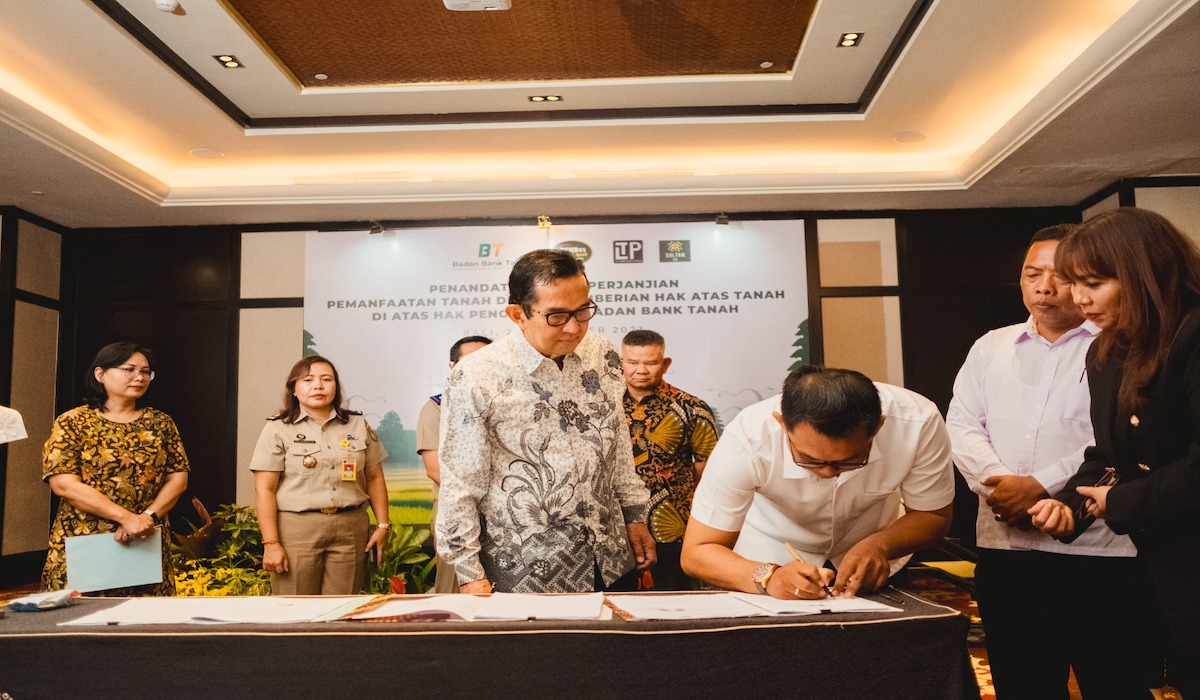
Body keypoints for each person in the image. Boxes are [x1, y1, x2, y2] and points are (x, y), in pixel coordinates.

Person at [948, 224, 1159, 699]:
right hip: (1007, 545)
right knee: (1023, 682)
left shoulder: (1119, 345)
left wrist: (1040, 486)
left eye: (1061, 276)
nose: (1043, 288)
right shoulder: (991, 346)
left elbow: (1112, 441)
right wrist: (1000, 485)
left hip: (1098, 546)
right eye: (1031, 274)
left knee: (1114, 680)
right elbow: (962, 423)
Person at [1030, 207, 1200, 696]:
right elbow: (1113, 456)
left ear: (1143, 273)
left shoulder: (1194, 334)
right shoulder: (1110, 349)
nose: (1078, 299)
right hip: (1167, 565)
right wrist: (1071, 504)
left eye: (1095, 283)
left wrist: (1120, 503)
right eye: (1073, 283)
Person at [436, 248, 655, 593]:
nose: (573, 328)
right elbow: (462, 481)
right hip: (525, 568)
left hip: (609, 557)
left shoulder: (603, 355)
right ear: (517, 314)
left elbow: (617, 443)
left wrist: (634, 514)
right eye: (556, 316)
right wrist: (469, 571)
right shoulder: (478, 374)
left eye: (583, 311)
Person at [681, 365, 954, 599]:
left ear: (879, 427)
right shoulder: (748, 438)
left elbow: (933, 514)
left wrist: (881, 545)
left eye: (848, 461)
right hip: (767, 550)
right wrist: (768, 577)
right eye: (810, 460)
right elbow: (698, 551)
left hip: (875, 550)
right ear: (782, 424)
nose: (827, 473)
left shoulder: (917, 422)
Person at [41, 342, 190, 596]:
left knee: (147, 621)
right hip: (85, 540)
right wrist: (126, 518)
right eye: (129, 369)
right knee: (77, 622)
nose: (139, 377)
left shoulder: (161, 423)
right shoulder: (73, 421)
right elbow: (63, 484)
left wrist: (147, 518)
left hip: (145, 540)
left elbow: (178, 478)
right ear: (100, 374)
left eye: (146, 372)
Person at [249, 355, 391, 595]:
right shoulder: (278, 428)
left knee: (341, 610)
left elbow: (375, 477)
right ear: (294, 389)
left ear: (336, 387)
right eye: (308, 380)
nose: (318, 385)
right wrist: (271, 543)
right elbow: (265, 490)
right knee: (295, 609)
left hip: (350, 527)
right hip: (298, 529)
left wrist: (383, 525)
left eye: (327, 379)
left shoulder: (356, 424)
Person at [620, 329, 719, 590]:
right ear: (621, 362)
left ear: (665, 365)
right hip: (616, 530)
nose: (640, 370)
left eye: (650, 363)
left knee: (674, 607)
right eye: (632, 362)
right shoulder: (601, 406)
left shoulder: (691, 408)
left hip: (671, 529)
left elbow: (707, 472)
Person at [417, 335, 492, 593]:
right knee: (455, 590)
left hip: (503, 519)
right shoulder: (437, 408)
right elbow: (435, 470)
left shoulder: (509, 404)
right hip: (457, 514)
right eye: (469, 360)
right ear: (453, 367)